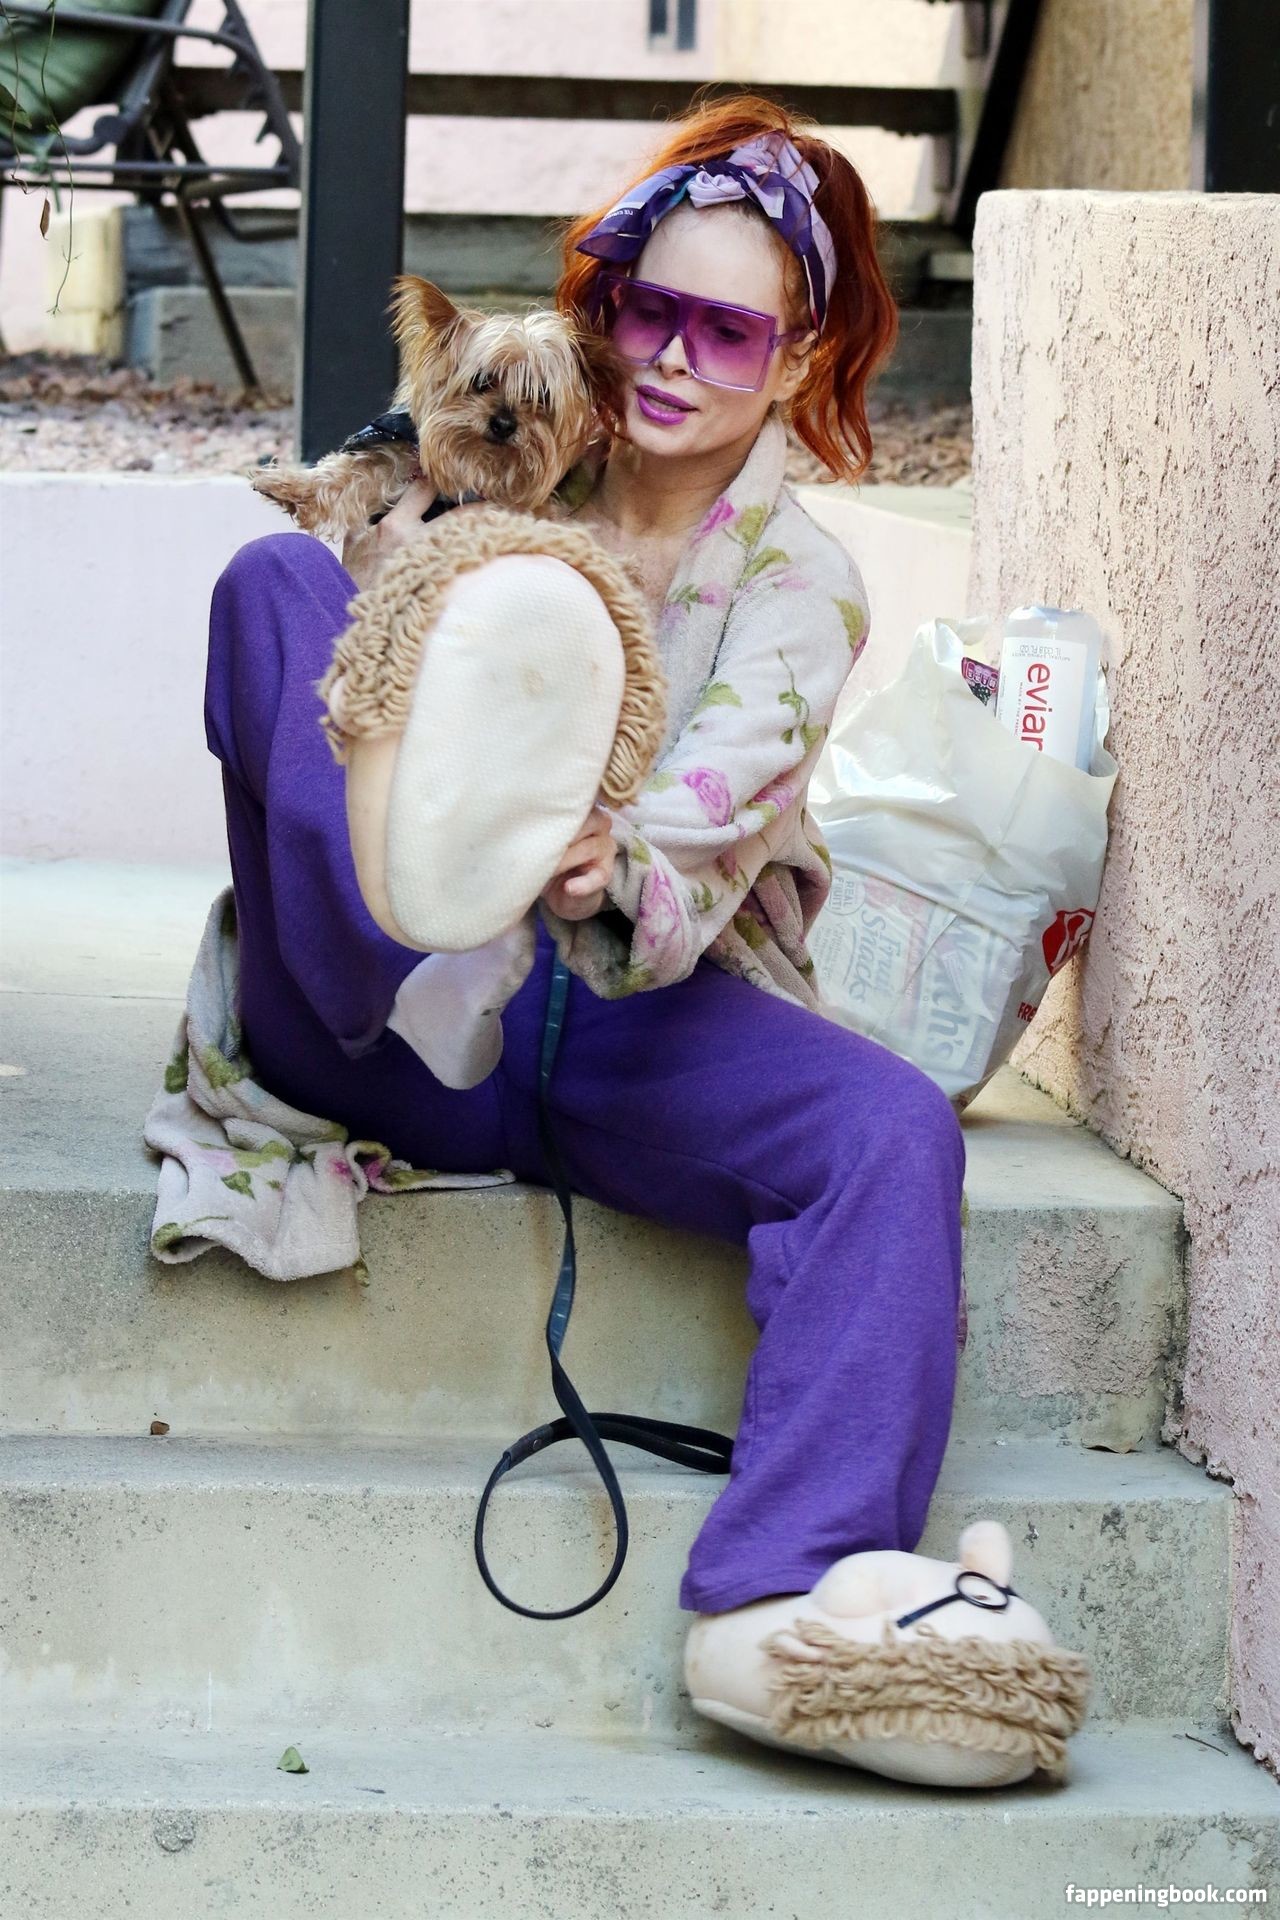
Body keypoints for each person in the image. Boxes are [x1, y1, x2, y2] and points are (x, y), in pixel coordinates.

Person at [203, 95, 966, 1720]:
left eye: (727, 331)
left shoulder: (800, 587)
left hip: (614, 1022)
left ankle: (783, 1602)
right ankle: (381, 948)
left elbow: (697, 834)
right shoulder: (522, 442)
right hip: (367, 999)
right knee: (273, 584)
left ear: (801, 359)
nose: (671, 356)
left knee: (894, 1129)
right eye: (646, 308)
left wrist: (601, 866)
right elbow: (340, 594)